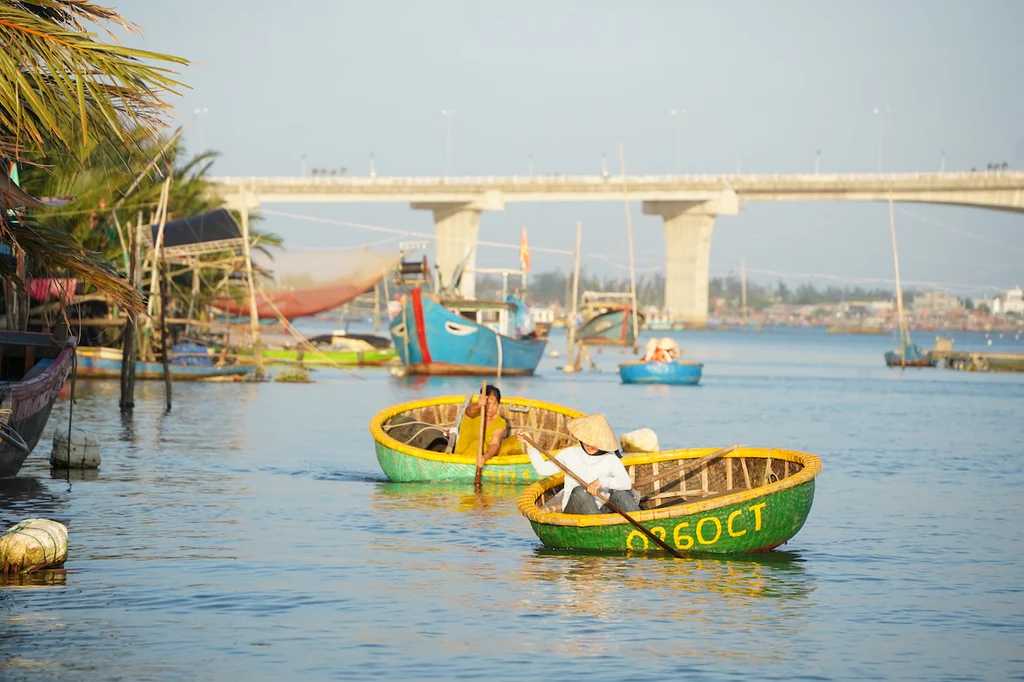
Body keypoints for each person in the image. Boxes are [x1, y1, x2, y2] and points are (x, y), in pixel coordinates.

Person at [518, 414, 640, 514]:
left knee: (622, 494)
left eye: (596, 442)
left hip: (602, 510)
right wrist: (530, 446)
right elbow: (542, 469)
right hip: (575, 509)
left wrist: (601, 482)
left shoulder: (611, 458)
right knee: (581, 492)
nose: (591, 445)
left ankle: (642, 530)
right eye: (588, 440)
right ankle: (597, 528)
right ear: (581, 437)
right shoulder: (569, 454)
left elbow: (626, 483)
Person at [453, 385, 519, 460]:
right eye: (487, 404)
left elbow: (495, 443)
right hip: (462, 457)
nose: (490, 408)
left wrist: (485, 458)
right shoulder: (474, 412)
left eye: (494, 404)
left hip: (484, 457)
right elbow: (469, 411)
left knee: (513, 443)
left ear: (498, 405)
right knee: (477, 444)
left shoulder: (501, 422)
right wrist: (479, 405)